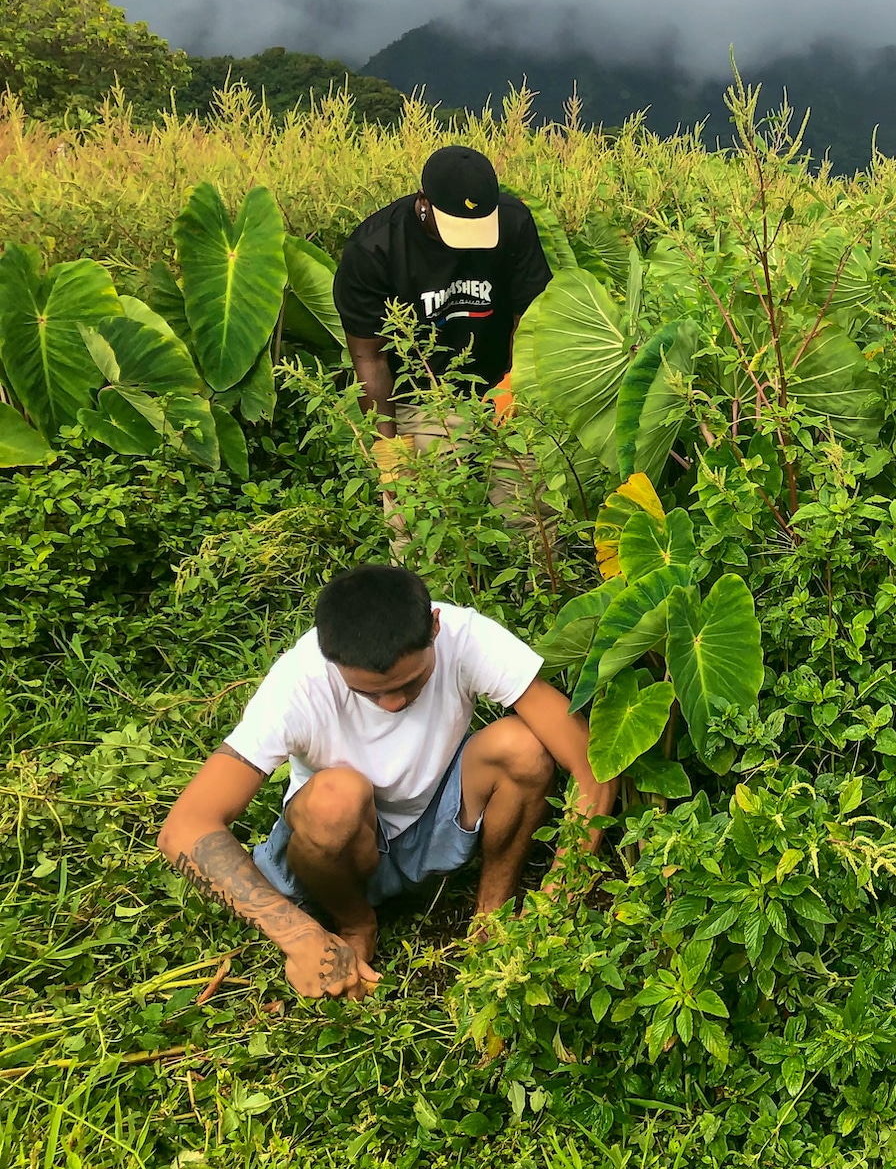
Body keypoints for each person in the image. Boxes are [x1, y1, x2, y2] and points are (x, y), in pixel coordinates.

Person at [157, 564, 613, 999]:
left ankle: (491, 918)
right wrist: (298, 935)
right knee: (336, 797)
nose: (393, 704)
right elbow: (185, 827)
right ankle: (355, 922)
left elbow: (592, 762)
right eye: (370, 693)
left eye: (410, 683)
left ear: (434, 627)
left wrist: (557, 898)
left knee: (524, 748)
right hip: (339, 851)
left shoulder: (466, 637)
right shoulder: (297, 685)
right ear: (330, 659)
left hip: (435, 820)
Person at [334, 145, 553, 502]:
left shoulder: (513, 222)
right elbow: (369, 358)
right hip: (422, 395)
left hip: (502, 382)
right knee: (420, 517)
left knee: (532, 512)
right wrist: (388, 447)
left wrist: (516, 382)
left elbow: (528, 316)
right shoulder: (374, 249)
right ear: (424, 201)